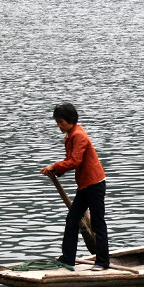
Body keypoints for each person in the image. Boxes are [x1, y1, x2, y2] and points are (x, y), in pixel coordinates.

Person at [40, 103, 110, 271]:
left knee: (98, 223)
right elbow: (72, 160)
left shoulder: (78, 135)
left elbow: (75, 161)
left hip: (95, 184)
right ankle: (68, 258)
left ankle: (102, 262)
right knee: (72, 220)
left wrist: (55, 167)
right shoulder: (71, 135)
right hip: (85, 185)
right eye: (57, 122)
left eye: (61, 122)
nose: (59, 125)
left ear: (70, 120)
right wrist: (56, 170)